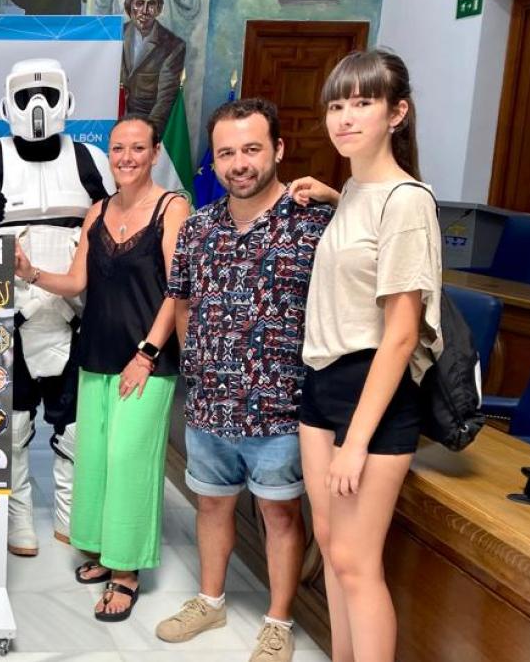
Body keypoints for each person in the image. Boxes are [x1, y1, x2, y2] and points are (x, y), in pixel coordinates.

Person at [151, 98, 333, 662]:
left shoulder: (315, 222)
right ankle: (211, 599)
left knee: (279, 513)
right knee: (211, 506)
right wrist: (197, 372)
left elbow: (381, 235)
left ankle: (278, 621)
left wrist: (340, 197)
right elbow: (181, 300)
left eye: (251, 149)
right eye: (227, 152)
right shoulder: (199, 226)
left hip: (281, 408)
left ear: (278, 149)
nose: (239, 163)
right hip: (209, 404)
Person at [14, 115, 189, 621]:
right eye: (118, 149)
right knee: (96, 459)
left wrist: (148, 353)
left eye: (137, 148)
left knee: (130, 462)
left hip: (147, 361)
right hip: (95, 354)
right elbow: (75, 283)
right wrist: (30, 273)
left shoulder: (172, 208)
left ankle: (127, 571)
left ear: (155, 153)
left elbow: (180, 290)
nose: (127, 158)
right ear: (108, 155)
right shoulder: (97, 211)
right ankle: (98, 547)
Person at [299, 49, 442, 662]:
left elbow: (403, 334)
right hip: (321, 383)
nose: (346, 117)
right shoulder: (359, 189)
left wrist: (356, 441)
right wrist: (336, 198)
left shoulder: (408, 201)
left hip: (372, 396)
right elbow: (363, 248)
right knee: (332, 547)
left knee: (359, 564)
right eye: (337, 105)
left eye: (362, 103)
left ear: (397, 112)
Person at [0, 58, 112, 556]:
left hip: (76, 314)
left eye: (48, 93)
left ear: (67, 97)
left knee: (73, 426)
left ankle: (72, 517)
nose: (38, 106)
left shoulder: (92, 161)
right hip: (11, 319)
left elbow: (113, 236)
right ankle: (17, 518)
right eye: (27, 96)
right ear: (8, 102)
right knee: (12, 426)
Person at [120, 0, 186, 137]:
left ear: (159, 9)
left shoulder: (173, 46)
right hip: (112, 123)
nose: (144, 10)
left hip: (147, 128)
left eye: (151, 4)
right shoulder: (114, 35)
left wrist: (146, 136)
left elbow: (164, 101)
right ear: (129, 6)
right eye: (139, 3)